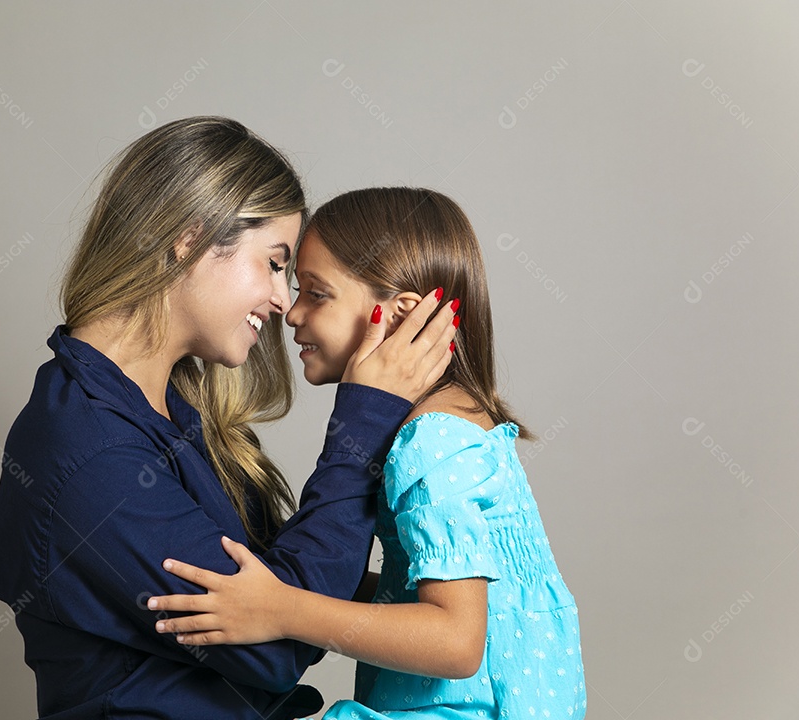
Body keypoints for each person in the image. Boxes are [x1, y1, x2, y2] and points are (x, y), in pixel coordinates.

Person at [0, 120, 458, 719]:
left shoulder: (162, 415)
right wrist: (365, 421)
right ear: (190, 239)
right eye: (274, 263)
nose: (285, 302)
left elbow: (274, 586)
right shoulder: (92, 454)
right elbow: (275, 641)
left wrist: (445, 605)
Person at [149, 187, 587, 719]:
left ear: (401, 315)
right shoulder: (461, 422)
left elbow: (456, 641)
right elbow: (471, 604)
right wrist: (295, 580)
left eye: (317, 293)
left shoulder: (432, 441)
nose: (292, 314)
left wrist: (284, 609)